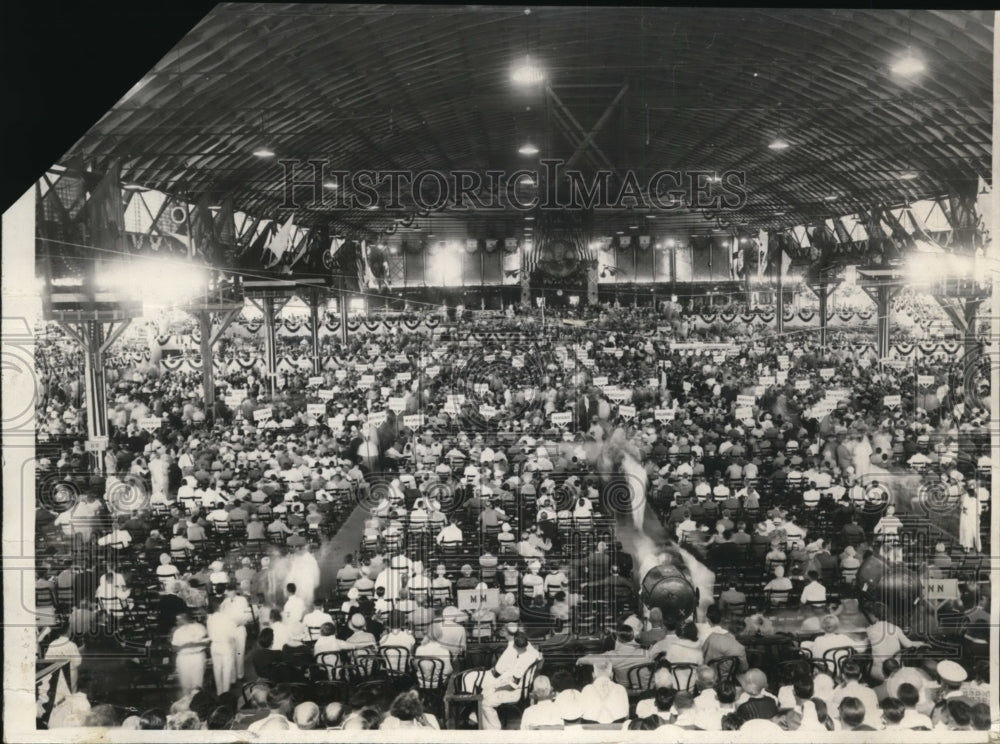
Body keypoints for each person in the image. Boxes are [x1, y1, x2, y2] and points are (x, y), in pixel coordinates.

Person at [479, 631, 541, 729]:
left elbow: (512, 686)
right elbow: (540, 657)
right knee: (488, 688)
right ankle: (478, 718)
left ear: (514, 646)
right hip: (525, 687)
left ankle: (494, 728)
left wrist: (498, 689)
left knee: (484, 702)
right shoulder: (533, 653)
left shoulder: (521, 662)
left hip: (516, 692)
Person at [578, 658, 629, 724]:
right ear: (612, 675)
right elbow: (627, 716)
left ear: (593, 675)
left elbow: (582, 714)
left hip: (592, 729)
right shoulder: (621, 689)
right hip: (617, 729)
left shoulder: (586, 689)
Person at [171, 613, 208, 695]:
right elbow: (173, 648)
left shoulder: (199, 627)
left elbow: (206, 643)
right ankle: (187, 703)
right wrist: (184, 646)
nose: (177, 622)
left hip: (197, 657)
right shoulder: (177, 631)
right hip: (183, 659)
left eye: (179, 619)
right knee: (185, 684)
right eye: (177, 620)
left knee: (197, 684)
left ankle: (197, 704)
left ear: (186, 618)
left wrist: (192, 644)